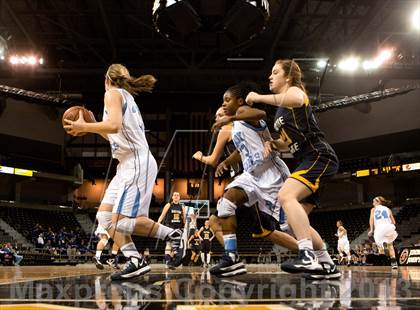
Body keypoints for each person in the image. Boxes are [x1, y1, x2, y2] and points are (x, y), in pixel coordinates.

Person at [63, 64, 183, 280]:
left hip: (136, 162)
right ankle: (135, 260)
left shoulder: (112, 94)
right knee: (105, 217)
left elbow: (115, 125)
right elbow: (114, 135)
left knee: (120, 221)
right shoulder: (124, 96)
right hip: (127, 164)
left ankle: (174, 235)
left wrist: (86, 127)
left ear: (107, 79)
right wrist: (94, 125)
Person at [245, 59, 339, 277]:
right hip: (306, 158)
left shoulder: (294, 92)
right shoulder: (281, 109)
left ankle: (306, 256)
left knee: (285, 196)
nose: (270, 76)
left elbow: (298, 98)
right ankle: (327, 264)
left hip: (318, 155)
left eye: (275, 72)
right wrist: (273, 143)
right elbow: (287, 142)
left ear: (288, 77)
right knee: (289, 223)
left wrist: (258, 98)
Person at [208, 81, 293, 277]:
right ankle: (232, 258)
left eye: (227, 100)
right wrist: (226, 162)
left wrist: (227, 117)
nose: (223, 104)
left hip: (272, 175)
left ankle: (315, 253)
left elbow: (261, 114)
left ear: (240, 101)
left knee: (285, 227)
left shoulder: (247, 113)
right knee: (226, 204)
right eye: (222, 101)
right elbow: (241, 149)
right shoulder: (236, 124)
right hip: (252, 175)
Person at [193, 107, 242, 178]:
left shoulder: (225, 130)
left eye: (220, 115)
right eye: (216, 116)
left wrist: (200, 157)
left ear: (229, 117)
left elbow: (213, 161)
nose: (216, 119)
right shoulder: (240, 127)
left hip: (242, 175)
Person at [368, 196, 398, 269]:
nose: (373, 203)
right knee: (390, 245)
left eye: (374, 201)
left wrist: (371, 230)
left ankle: (383, 263)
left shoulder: (373, 209)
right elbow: (394, 222)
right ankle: (394, 263)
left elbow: (371, 220)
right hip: (389, 227)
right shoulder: (388, 209)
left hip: (379, 229)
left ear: (378, 202)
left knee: (380, 246)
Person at [157, 192, 186, 268]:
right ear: (172, 197)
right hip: (169, 227)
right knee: (169, 244)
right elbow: (162, 215)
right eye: (175, 195)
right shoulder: (169, 205)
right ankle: (167, 261)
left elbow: (184, 219)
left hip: (178, 228)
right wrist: (158, 223)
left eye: (178, 195)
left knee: (175, 247)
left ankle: (170, 262)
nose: (176, 196)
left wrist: (185, 227)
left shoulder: (182, 207)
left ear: (179, 198)